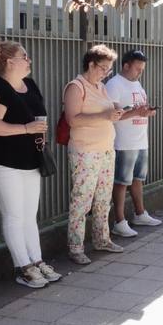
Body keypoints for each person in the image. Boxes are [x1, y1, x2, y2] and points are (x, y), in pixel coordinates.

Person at [0, 38, 58, 289]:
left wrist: (37, 133)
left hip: (30, 159)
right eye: (25, 56)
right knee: (13, 215)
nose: (29, 60)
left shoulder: (29, 85)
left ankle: (37, 260)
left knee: (28, 215)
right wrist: (26, 128)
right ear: (11, 62)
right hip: (3, 161)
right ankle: (23, 267)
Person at [64, 45, 127, 264]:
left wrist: (116, 113)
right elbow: (73, 119)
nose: (106, 73)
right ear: (90, 64)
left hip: (105, 149)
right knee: (82, 200)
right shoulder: (76, 86)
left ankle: (102, 239)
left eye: (109, 70)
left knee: (102, 198)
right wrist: (105, 114)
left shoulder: (100, 87)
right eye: (103, 68)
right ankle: (75, 246)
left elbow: (107, 114)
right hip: (85, 152)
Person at [104, 49, 162, 238]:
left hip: (140, 139)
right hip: (123, 142)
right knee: (121, 182)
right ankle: (119, 221)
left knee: (138, 179)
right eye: (137, 68)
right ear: (126, 65)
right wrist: (137, 113)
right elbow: (112, 116)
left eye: (142, 69)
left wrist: (147, 112)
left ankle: (140, 213)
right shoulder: (114, 85)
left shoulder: (136, 83)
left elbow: (137, 109)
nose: (140, 72)